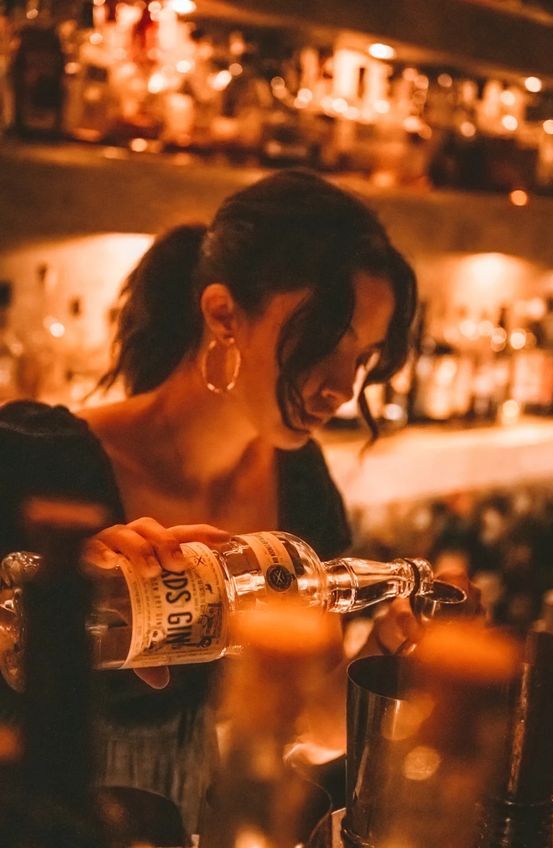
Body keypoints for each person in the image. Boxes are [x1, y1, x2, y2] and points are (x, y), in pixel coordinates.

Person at [0, 169, 475, 833]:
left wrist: (387, 664)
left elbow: (303, 723)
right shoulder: (32, 457)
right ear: (223, 315)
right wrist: (45, 605)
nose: (343, 387)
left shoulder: (301, 482)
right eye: (324, 342)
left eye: (363, 357)